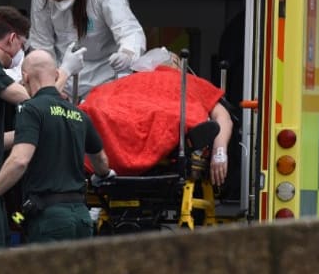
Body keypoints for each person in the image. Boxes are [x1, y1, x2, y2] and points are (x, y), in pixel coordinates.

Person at [0, 6, 83, 253]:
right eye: (22, 44)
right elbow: (39, 102)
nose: (21, 52)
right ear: (11, 39)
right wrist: (65, 71)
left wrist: (30, 136)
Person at [0, 49, 114, 243]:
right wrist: (102, 175)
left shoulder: (31, 110)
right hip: (82, 218)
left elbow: (19, 160)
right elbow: (100, 160)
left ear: (25, 77)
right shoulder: (79, 114)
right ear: (57, 74)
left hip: (50, 220)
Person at [80, 48, 233, 188]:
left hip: (112, 135)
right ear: (176, 63)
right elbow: (223, 117)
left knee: (98, 112)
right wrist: (219, 153)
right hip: (173, 133)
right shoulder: (189, 81)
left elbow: (91, 104)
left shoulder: (120, 84)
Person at [28, 0, 146, 99]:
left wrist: (127, 53)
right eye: (55, 0)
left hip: (103, 77)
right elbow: (41, 42)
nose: (61, 4)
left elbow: (129, 30)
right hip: (63, 76)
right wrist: (48, 82)